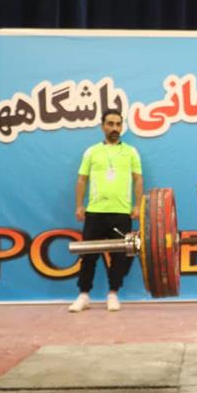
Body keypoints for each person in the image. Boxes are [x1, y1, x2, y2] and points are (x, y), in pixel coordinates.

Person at [69, 109, 144, 313]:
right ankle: (84, 295)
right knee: (89, 256)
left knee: (120, 257)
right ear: (102, 126)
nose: (114, 128)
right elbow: (82, 180)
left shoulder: (131, 152)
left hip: (121, 213)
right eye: (110, 124)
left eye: (118, 124)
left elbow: (138, 179)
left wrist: (138, 205)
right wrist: (79, 205)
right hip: (95, 212)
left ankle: (113, 294)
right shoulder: (92, 152)